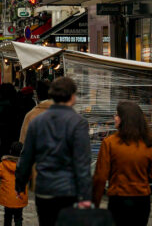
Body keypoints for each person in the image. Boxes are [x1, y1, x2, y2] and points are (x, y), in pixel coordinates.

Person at [15, 77, 92, 226]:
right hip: (69, 189)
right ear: (72, 96)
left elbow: (26, 156)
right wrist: (86, 195)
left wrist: (20, 183)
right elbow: (82, 163)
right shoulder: (78, 122)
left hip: (44, 186)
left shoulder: (37, 120)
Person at [92, 101, 152, 226]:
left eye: (117, 115)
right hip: (142, 200)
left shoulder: (110, 143)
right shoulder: (147, 143)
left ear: (125, 119)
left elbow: (100, 177)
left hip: (118, 199)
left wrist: (95, 203)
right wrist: (140, 178)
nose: (115, 117)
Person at [0, 141, 29, 226]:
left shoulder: (4, 165)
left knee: (7, 217)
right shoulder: (25, 166)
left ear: (10, 151)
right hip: (20, 197)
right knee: (18, 217)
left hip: (8, 200)